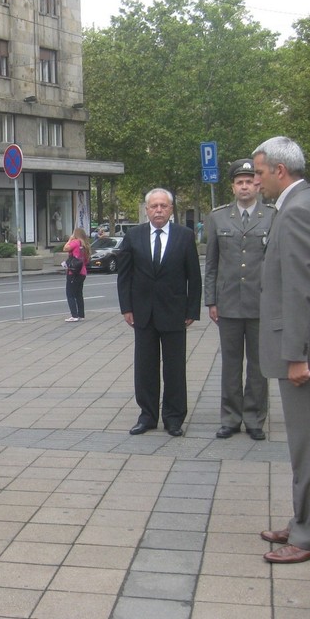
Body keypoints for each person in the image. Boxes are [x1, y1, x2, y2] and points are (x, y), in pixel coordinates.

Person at [253, 137, 310, 564]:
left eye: (259, 173)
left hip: (306, 350)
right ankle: (306, 520)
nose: (256, 181)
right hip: (308, 344)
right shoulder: (301, 205)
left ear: (279, 171)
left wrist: (297, 355)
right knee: (304, 443)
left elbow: (301, 290)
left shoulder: (298, 210)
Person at [117, 189, 201, 437]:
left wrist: (192, 310)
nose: (158, 210)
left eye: (163, 206)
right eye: (154, 206)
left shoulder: (184, 237)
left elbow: (193, 277)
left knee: (175, 369)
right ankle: (147, 416)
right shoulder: (134, 236)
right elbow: (125, 276)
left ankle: (174, 418)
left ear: (171, 209)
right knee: (145, 368)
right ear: (146, 210)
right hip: (143, 313)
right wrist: (127, 308)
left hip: (175, 312)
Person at [204, 158, 275, 441]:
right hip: (229, 303)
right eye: (239, 182)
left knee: (259, 366)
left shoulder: (272, 216)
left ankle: (255, 418)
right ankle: (230, 418)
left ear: (257, 184)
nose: (244, 186)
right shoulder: (218, 217)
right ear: (232, 187)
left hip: (261, 304)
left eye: (249, 181)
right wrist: (211, 300)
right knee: (231, 365)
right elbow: (211, 264)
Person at [63, 227, 90, 322]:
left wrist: (70, 239)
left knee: (70, 293)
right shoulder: (85, 245)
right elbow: (86, 260)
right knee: (79, 294)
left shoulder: (75, 242)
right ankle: (81, 314)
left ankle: (74, 315)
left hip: (73, 272)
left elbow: (65, 248)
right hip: (82, 272)